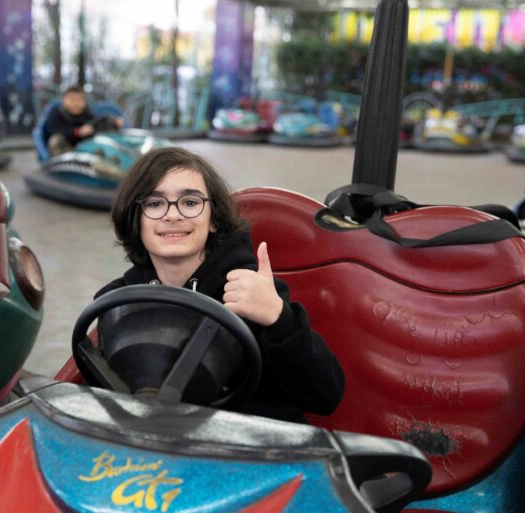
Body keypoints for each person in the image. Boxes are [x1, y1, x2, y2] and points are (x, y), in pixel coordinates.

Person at [93, 147, 345, 422]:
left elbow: (325, 397)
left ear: (213, 219)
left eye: (190, 202)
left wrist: (279, 317)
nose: (173, 215)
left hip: (246, 439)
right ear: (135, 220)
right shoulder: (117, 300)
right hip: (155, 438)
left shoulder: (252, 291)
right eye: (155, 204)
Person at [46, 86, 122, 156]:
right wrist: (77, 132)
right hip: (65, 148)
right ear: (63, 101)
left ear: (85, 102)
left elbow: (98, 125)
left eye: (79, 100)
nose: (76, 103)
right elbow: (54, 129)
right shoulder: (57, 114)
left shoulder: (87, 115)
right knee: (55, 139)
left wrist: (114, 124)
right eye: (72, 99)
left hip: (84, 149)